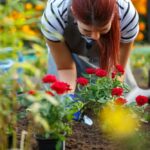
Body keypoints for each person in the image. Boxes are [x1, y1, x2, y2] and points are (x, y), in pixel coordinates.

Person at [41, 0, 139, 92]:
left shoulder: (127, 14)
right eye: (87, 30)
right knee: (60, 99)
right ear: (73, 13)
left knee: (125, 99)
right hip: (68, 51)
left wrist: (113, 97)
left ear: (114, 14)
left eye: (103, 29)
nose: (95, 37)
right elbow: (65, 68)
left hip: (109, 52)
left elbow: (118, 67)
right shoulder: (54, 16)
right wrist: (68, 99)